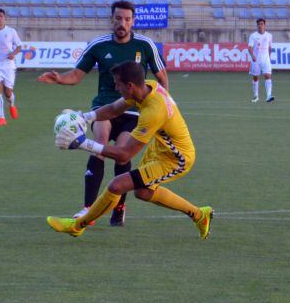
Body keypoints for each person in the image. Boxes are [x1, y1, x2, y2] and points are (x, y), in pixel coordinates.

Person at [38, 0, 169, 227]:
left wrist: (162, 107)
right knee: (99, 143)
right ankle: (88, 209)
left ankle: (119, 207)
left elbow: (162, 79)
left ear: (133, 21)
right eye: (118, 18)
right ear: (111, 19)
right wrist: (59, 78)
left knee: (123, 155)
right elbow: (76, 75)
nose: (122, 23)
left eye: (127, 19)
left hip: (133, 111)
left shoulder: (145, 45)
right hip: (104, 108)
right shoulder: (99, 45)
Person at [48, 61, 213, 239]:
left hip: (176, 159)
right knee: (143, 192)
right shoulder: (147, 87)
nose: (116, 88)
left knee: (117, 185)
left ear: (130, 86)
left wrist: (82, 143)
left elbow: (124, 154)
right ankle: (199, 215)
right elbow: (113, 109)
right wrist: (85, 117)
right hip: (160, 149)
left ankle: (77, 226)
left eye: (117, 84)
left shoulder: (154, 111)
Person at [248, 18, 274, 103]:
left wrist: (269, 57)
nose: (260, 25)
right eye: (259, 24)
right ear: (257, 25)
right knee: (256, 77)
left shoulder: (269, 35)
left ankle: (269, 95)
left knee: (268, 76)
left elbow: (270, 47)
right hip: (256, 60)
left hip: (266, 60)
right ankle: (256, 96)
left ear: (264, 25)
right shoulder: (253, 36)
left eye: (262, 24)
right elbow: (250, 47)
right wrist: (252, 55)